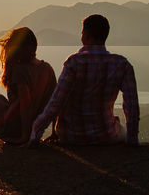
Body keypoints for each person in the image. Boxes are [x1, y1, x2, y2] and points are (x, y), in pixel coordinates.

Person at [29, 14, 139, 146]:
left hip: (71, 136)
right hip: (105, 135)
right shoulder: (122, 64)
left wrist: (35, 134)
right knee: (120, 127)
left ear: (85, 36)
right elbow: (131, 105)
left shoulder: (74, 63)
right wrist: (132, 139)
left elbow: (55, 103)